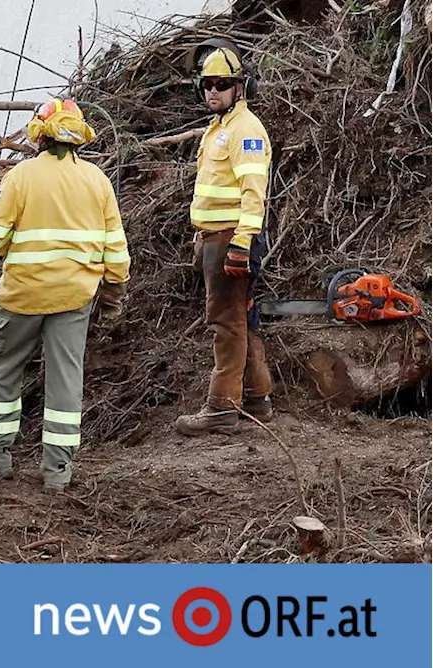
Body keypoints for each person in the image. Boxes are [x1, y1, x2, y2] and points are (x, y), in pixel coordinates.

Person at [0, 98, 130, 491]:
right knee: (66, 378)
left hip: (22, 294)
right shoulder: (97, 180)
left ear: (39, 136)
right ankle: (58, 472)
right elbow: (116, 250)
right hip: (74, 296)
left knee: (1, 371)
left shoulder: (21, 176)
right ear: (79, 138)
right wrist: (114, 293)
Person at [174, 44, 274, 436]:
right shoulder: (221, 129)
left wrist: (242, 241)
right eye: (207, 85)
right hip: (218, 237)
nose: (213, 92)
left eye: (222, 84)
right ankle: (256, 398)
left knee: (226, 323)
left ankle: (221, 407)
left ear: (239, 87)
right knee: (242, 320)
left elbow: (254, 192)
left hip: (231, 236)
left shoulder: (244, 130)